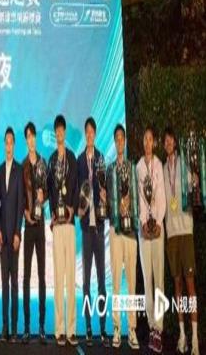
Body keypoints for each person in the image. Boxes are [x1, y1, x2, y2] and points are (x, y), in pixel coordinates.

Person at [163, 127, 199, 355]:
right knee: (177, 285)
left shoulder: (185, 163)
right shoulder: (162, 169)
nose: (168, 143)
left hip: (185, 230)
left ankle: (195, 337)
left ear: (175, 143)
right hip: (171, 234)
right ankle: (182, 335)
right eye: (165, 141)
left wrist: (195, 181)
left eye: (170, 140)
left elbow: (194, 186)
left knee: (190, 284)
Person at [106, 124, 139, 350]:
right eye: (116, 138)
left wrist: (129, 203)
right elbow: (107, 199)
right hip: (116, 230)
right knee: (117, 281)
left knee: (132, 283)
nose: (119, 141)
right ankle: (117, 327)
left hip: (131, 232)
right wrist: (113, 203)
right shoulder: (109, 170)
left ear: (125, 142)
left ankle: (132, 329)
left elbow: (138, 197)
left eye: (121, 138)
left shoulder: (132, 168)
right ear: (114, 141)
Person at [77, 117, 108, 346]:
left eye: (91, 132)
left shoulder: (101, 159)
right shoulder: (79, 161)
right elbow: (76, 190)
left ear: (95, 134)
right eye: (86, 131)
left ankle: (103, 327)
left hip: (99, 226)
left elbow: (105, 187)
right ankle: (88, 327)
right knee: (86, 281)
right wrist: (78, 209)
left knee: (102, 282)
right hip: (86, 229)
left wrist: (105, 195)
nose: (89, 135)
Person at [47, 114, 78, 347]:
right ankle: (58, 328)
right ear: (55, 133)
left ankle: (71, 329)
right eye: (56, 130)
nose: (59, 133)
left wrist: (71, 207)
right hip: (57, 225)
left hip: (69, 223)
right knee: (58, 277)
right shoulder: (50, 160)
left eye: (61, 130)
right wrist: (52, 213)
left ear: (65, 133)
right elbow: (49, 190)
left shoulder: (72, 158)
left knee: (70, 277)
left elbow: (75, 187)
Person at [136, 126, 166, 354]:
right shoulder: (138, 167)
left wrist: (157, 221)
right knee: (147, 280)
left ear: (154, 142)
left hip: (158, 230)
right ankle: (151, 325)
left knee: (159, 280)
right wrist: (144, 223)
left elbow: (162, 198)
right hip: (144, 231)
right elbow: (139, 199)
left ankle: (159, 329)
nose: (147, 142)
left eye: (150, 139)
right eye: (145, 139)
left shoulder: (159, 165)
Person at [21, 122, 47, 344]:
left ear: (36, 138)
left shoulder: (43, 162)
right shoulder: (23, 166)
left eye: (33, 136)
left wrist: (43, 196)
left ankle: (41, 326)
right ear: (25, 140)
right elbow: (21, 196)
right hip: (28, 225)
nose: (31, 140)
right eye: (28, 137)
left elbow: (48, 191)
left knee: (41, 276)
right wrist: (25, 212)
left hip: (40, 225)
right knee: (27, 276)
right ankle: (27, 327)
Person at [0, 127, 23, 343]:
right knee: (4, 284)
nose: (8, 145)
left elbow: (20, 204)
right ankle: (4, 326)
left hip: (13, 238)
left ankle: (14, 328)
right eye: (5, 142)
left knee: (14, 283)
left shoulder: (19, 169)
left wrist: (17, 233)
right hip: (1, 238)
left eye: (11, 142)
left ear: (14, 145)